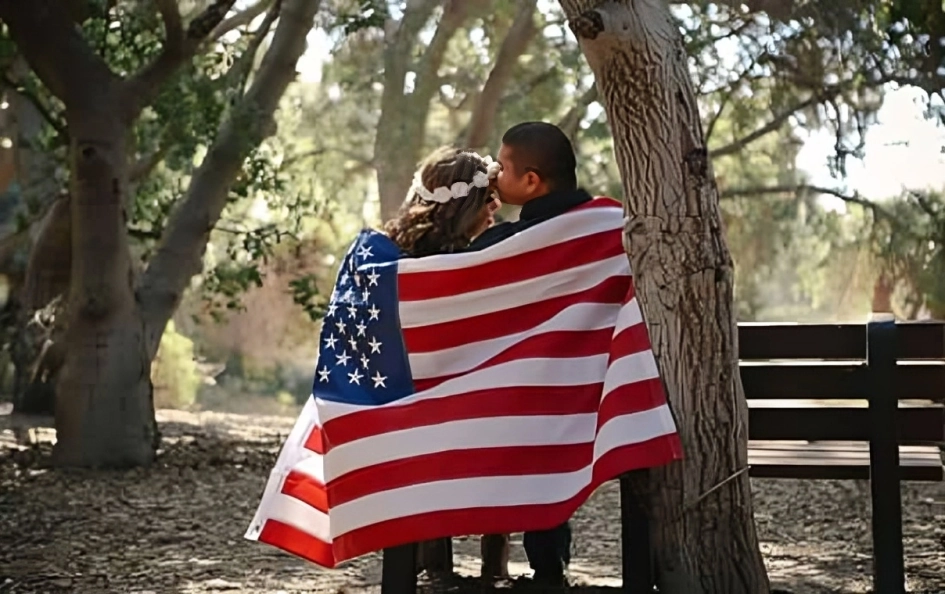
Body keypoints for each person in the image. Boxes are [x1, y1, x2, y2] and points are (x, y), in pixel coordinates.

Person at [465, 121, 592, 587]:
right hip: (593, 404)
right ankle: (548, 566)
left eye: (501, 167)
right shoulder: (604, 229)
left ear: (532, 181)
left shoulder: (514, 244)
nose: (493, 174)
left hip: (527, 408)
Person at [382, 145, 502, 578]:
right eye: (488, 199)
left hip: (414, 414)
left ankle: (434, 566)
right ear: (463, 206)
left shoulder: (393, 257)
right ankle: (493, 569)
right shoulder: (467, 266)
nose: (495, 208)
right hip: (450, 415)